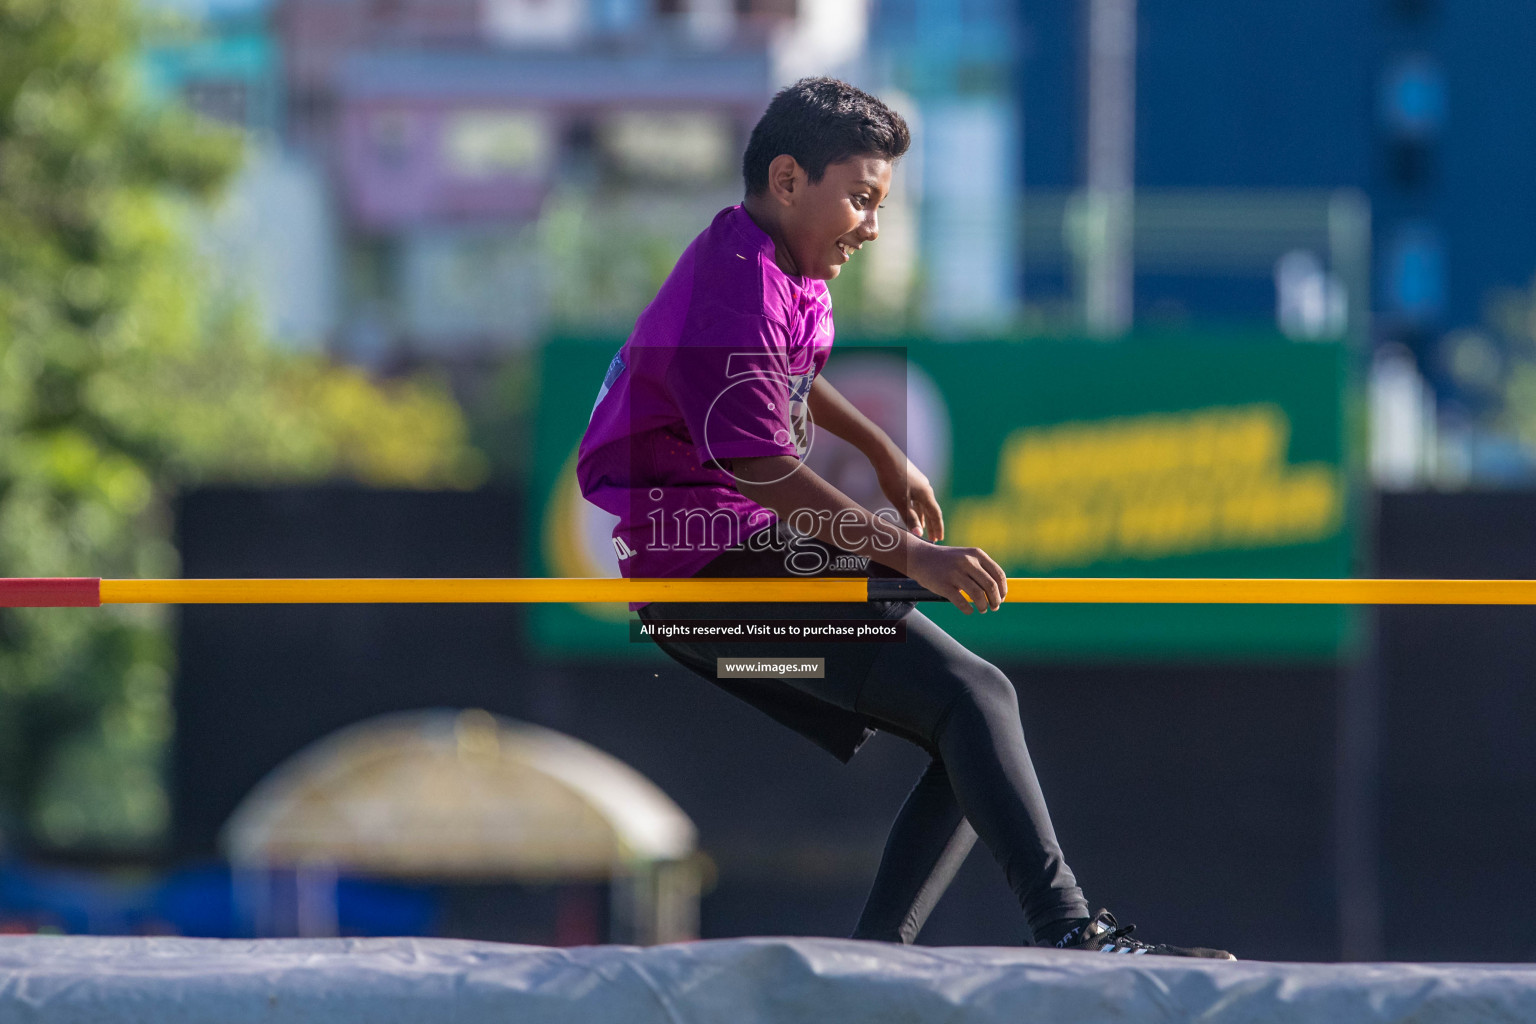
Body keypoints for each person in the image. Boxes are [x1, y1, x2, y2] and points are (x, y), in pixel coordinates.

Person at [577, 76, 1233, 959]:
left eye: (881, 204)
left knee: (968, 729)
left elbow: (791, 376)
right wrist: (914, 555)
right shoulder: (736, 288)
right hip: (715, 590)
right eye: (860, 199)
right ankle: (1067, 931)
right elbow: (760, 465)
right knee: (975, 700)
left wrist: (883, 450)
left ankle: (882, 958)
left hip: (707, 599)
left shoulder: (768, 259)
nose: (872, 227)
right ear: (786, 179)